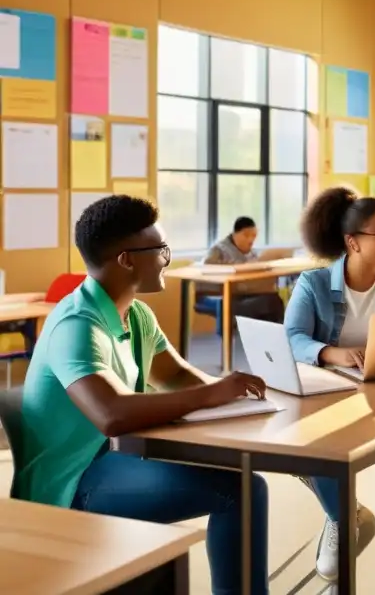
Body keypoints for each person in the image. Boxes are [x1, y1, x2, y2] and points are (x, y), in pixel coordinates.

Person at [14, 195, 270, 595]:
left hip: (114, 460)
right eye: (161, 250)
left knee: (241, 482)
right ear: (127, 260)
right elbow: (111, 414)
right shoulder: (77, 323)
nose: (167, 259)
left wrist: (244, 401)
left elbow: (176, 376)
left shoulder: (135, 314)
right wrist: (214, 394)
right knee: (240, 490)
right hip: (72, 483)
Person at [284, 186, 375, 595]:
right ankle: (342, 516)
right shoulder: (313, 284)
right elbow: (292, 338)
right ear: (353, 242)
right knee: (316, 449)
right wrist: (333, 352)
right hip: (326, 403)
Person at [201, 215, 285, 324]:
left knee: (273, 299)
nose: (250, 240)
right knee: (262, 303)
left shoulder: (252, 253)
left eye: (254, 236)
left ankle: (271, 336)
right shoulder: (218, 249)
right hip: (223, 294)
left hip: (247, 292)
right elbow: (207, 268)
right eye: (246, 235)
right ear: (235, 233)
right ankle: (236, 335)